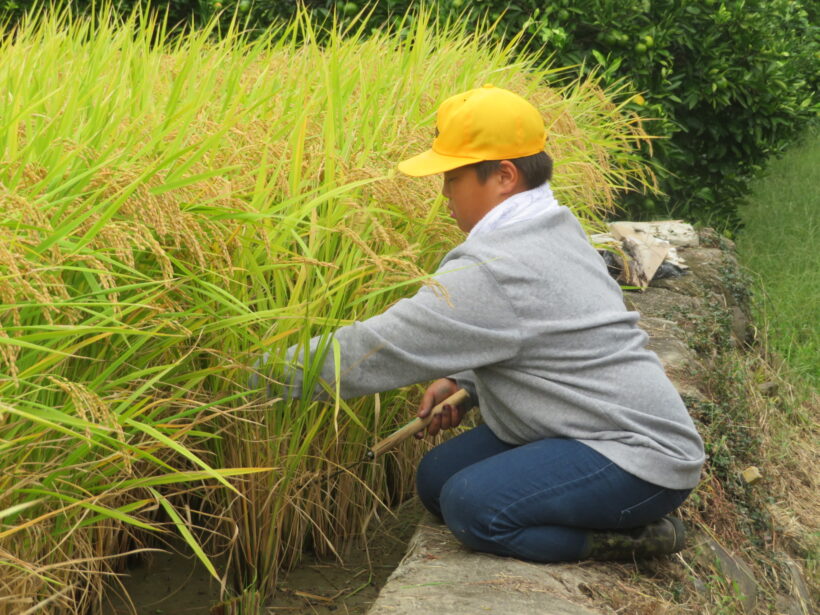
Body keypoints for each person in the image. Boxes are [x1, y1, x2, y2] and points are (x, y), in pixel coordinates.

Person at [253, 84, 705, 563]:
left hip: (637, 455)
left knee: (474, 506)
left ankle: (639, 539)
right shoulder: (553, 225)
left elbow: (377, 349)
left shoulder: (497, 265)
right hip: (576, 422)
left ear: (504, 176)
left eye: (452, 176)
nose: (444, 191)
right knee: (435, 480)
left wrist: (251, 375)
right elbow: (533, 332)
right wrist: (464, 382)